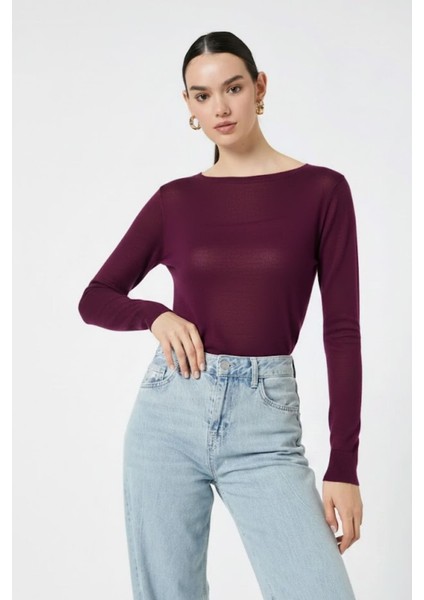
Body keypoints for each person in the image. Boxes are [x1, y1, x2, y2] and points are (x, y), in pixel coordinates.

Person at [78, 30, 363, 600]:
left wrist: (344, 466)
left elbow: (341, 332)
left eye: (232, 88)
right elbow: (96, 297)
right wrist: (155, 316)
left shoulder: (322, 191)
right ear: (188, 105)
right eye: (202, 95)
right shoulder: (175, 201)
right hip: (168, 416)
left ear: (260, 88)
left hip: (265, 424)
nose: (220, 108)